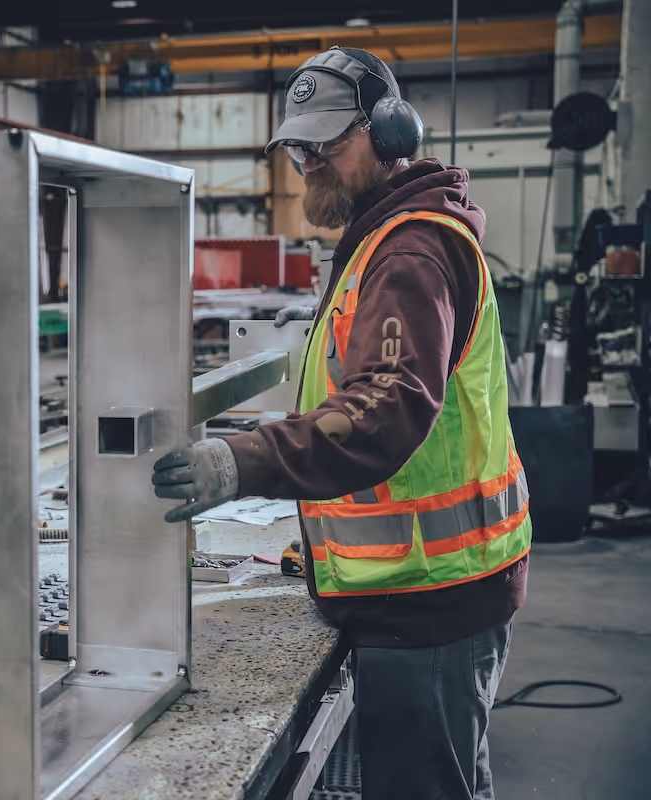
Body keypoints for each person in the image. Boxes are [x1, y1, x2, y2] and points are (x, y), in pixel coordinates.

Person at [151, 47, 531, 800]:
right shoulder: (382, 242)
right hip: (426, 588)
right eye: (298, 145)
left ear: (391, 134)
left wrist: (240, 462)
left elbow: (383, 412)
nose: (308, 162)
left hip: (432, 601)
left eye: (327, 142)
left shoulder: (412, 252)